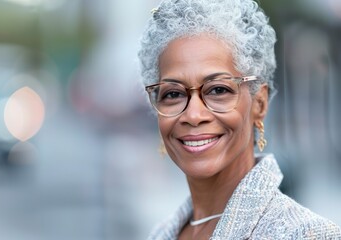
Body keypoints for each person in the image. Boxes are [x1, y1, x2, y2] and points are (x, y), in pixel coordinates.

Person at [137, 0, 341, 239]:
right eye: (173, 93)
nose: (193, 115)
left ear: (259, 104)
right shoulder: (161, 234)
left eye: (218, 90)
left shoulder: (304, 233)